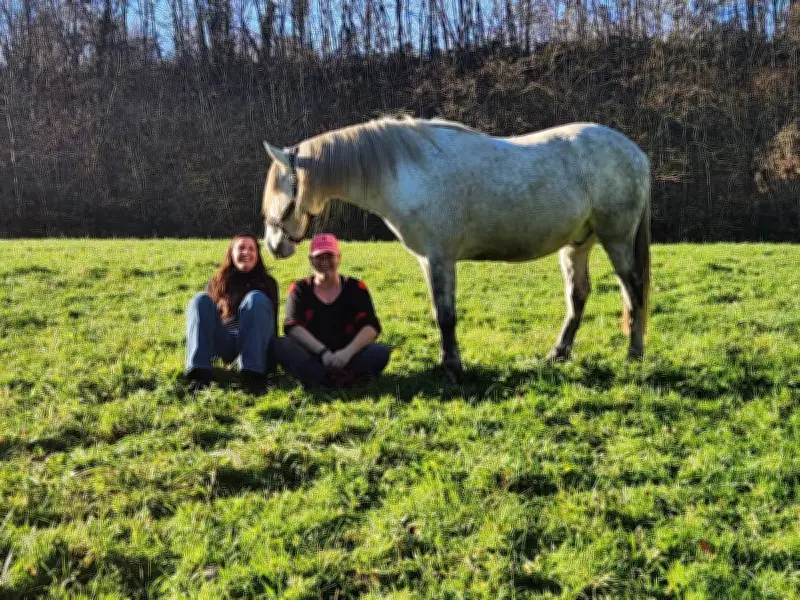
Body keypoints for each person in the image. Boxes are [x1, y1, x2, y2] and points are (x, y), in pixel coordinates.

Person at [274, 233, 390, 388]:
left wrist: (346, 354)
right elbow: (292, 326)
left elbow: (371, 327)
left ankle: (324, 378)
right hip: (312, 354)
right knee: (282, 345)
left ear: (339, 258)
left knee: (380, 352)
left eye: (329, 256)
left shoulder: (356, 287)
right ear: (310, 260)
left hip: (349, 355)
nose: (324, 262)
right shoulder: (299, 289)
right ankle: (336, 378)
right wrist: (323, 353)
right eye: (319, 257)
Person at [185, 232, 279, 392]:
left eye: (251, 249)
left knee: (255, 298)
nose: (246, 253)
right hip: (226, 340)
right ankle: (199, 373)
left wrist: (271, 358)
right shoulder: (217, 281)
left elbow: (271, 325)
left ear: (257, 255)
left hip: (253, 342)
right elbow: (207, 318)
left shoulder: (268, 282)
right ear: (231, 253)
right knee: (199, 300)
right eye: (241, 248)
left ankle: (252, 375)